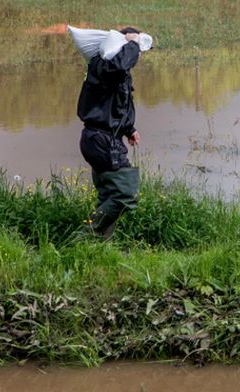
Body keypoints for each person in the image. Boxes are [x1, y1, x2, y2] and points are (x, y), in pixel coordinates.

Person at [77, 27, 147, 239]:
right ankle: (84, 237)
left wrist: (128, 128)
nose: (140, 55)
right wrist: (133, 43)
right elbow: (120, 64)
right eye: (138, 51)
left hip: (99, 138)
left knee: (109, 195)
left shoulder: (108, 70)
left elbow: (113, 103)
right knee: (126, 193)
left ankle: (99, 246)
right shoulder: (106, 66)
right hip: (102, 140)